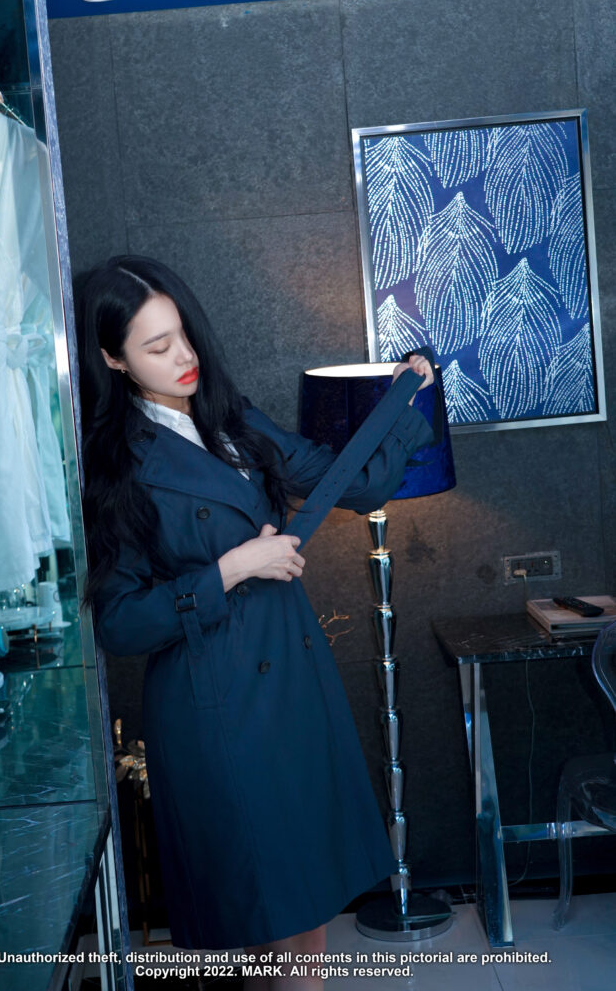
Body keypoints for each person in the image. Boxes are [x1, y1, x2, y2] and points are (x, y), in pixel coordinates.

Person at [76, 255, 435, 989]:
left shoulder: (229, 418)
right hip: (219, 710)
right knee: (262, 920)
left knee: (307, 912)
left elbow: (356, 483)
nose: (183, 357)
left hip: (293, 685)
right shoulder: (115, 464)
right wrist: (231, 569)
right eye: (156, 346)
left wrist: (406, 396)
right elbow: (120, 625)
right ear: (112, 359)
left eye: (183, 334)